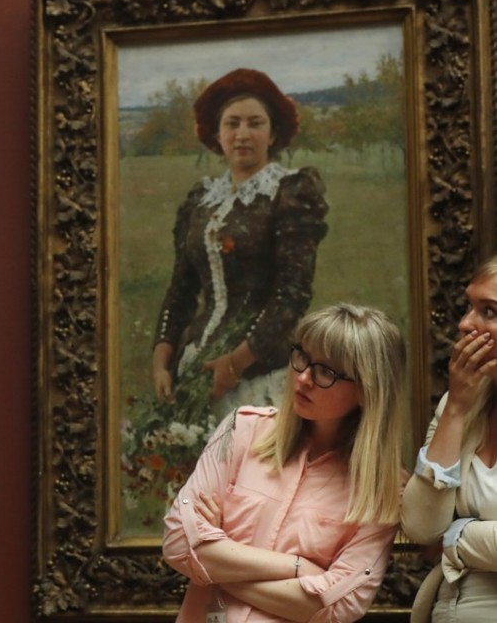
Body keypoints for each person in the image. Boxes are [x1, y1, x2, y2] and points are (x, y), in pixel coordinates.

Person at [163, 303, 407, 621]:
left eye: (325, 372)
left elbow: (338, 605)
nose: (303, 378)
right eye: (303, 357)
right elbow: (178, 541)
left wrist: (216, 560)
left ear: (367, 390)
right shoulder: (240, 429)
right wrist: (298, 568)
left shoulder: (381, 489)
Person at [152, 68, 329, 425]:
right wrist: (161, 361)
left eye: (255, 123)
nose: (242, 134)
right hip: (197, 368)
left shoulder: (289, 194)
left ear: (273, 132)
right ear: (217, 135)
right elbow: (181, 289)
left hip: (261, 372)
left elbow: (291, 295)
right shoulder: (201, 200)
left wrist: (235, 364)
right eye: (232, 124)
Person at [401, 255, 497, 621]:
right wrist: (456, 408)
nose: (464, 324)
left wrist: (458, 538)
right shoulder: (460, 403)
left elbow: (441, 536)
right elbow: (422, 527)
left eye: (488, 311)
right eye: (469, 307)